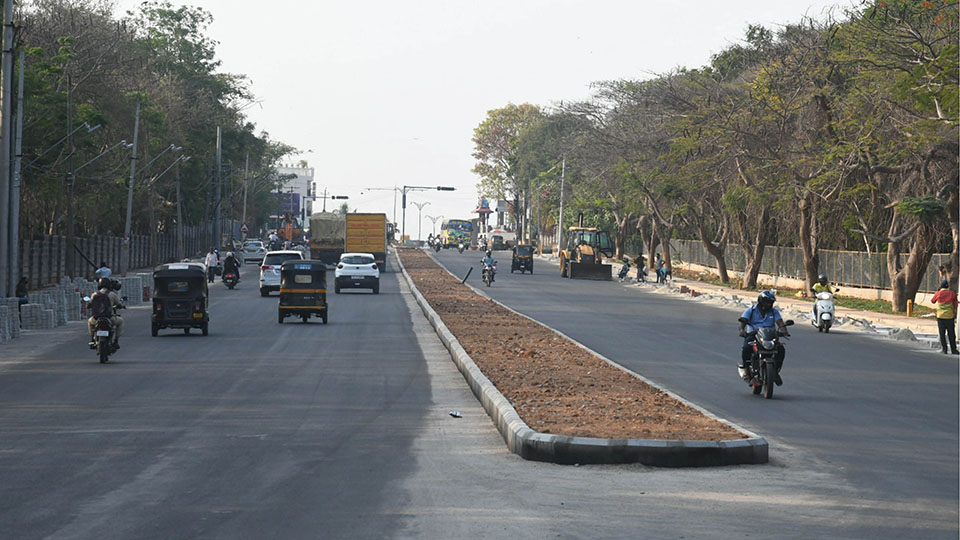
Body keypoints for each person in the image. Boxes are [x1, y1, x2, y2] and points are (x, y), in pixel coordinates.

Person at [738, 290, 791, 385]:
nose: (769, 304)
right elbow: (743, 322)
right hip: (753, 335)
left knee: (781, 349)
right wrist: (742, 330)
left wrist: (784, 331)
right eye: (767, 301)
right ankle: (746, 369)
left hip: (770, 336)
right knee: (746, 348)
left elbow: (779, 322)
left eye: (770, 302)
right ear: (761, 300)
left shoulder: (774, 312)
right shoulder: (751, 310)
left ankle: (775, 372)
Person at [88, 278, 124, 348]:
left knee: (89, 322)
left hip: (96, 318)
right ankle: (116, 341)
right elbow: (119, 304)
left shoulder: (94, 294)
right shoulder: (112, 294)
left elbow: (89, 304)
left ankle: (92, 338)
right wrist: (121, 306)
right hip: (109, 318)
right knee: (121, 322)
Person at [931, 280, 958, 355]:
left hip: (940, 316)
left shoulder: (938, 293)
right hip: (949, 316)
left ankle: (944, 349)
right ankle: (953, 350)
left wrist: (937, 293)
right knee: (951, 334)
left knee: (942, 334)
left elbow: (933, 301)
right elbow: (955, 305)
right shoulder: (952, 293)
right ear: (947, 286)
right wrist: (955, 313)